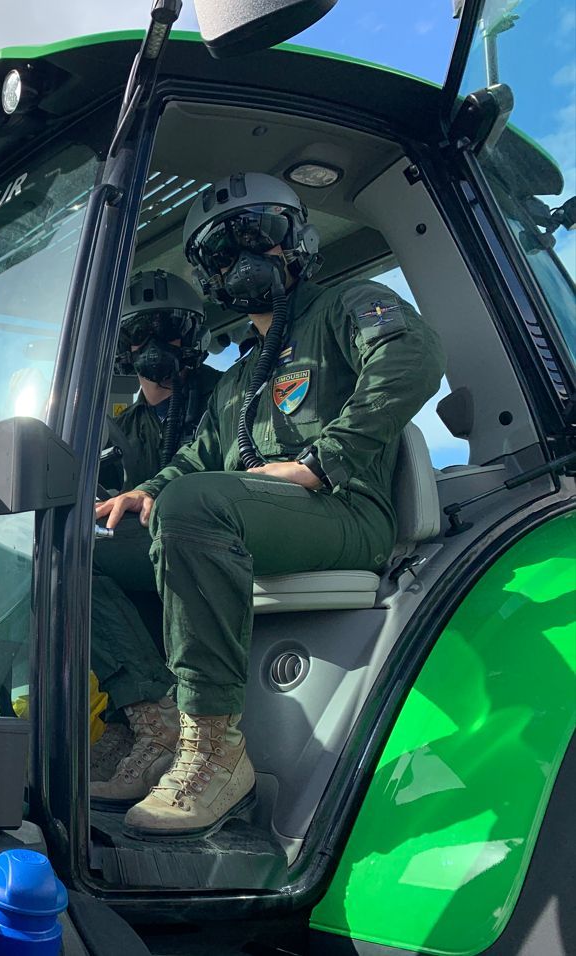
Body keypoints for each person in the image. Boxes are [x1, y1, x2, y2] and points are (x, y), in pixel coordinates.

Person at [91, 172, 445, 838]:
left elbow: (412, 355)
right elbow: (193, 459)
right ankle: (153, 722)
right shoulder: (235, 383)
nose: (244, 260)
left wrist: (323, 459)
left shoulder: (345, 306)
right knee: (85, 554)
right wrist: (144, 491)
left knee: (193, 506)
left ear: (296, 240)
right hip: (261, 524)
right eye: (221, 253)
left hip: (346, 514)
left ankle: (215, 750)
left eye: (259, 235)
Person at [89, 271, 219, 786]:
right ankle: (130, 723)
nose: (152, 346)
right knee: (68, 553)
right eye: (137, 334)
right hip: (153, 545)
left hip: (211, 537)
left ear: (191, 336)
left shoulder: (228, 396)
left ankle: (155, 718)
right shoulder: (119, 427)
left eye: (167, 329)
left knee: (79, 561)